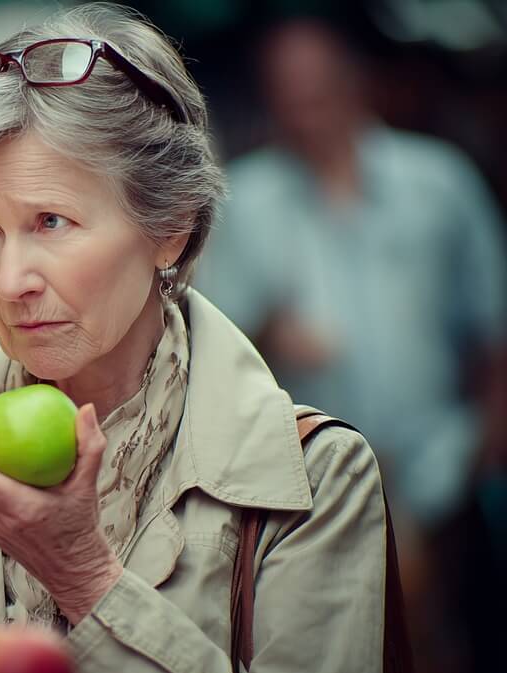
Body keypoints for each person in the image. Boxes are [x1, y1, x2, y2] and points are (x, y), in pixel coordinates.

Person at [0, 4, 394, 670]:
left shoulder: (320, 480)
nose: (9, 280)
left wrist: (84, 576)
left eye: (51, 221)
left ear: (169, 228)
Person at [196, 19, 506, 672]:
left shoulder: (438, 183)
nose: (306, 105)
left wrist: (478, 451)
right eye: (289, 91)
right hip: (308, 490)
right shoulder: (245, 200)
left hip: (441, 470)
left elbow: (494, 332)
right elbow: (208, 347)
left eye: (318, 85)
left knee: (453, 640)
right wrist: (269, 331)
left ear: (356, 81)